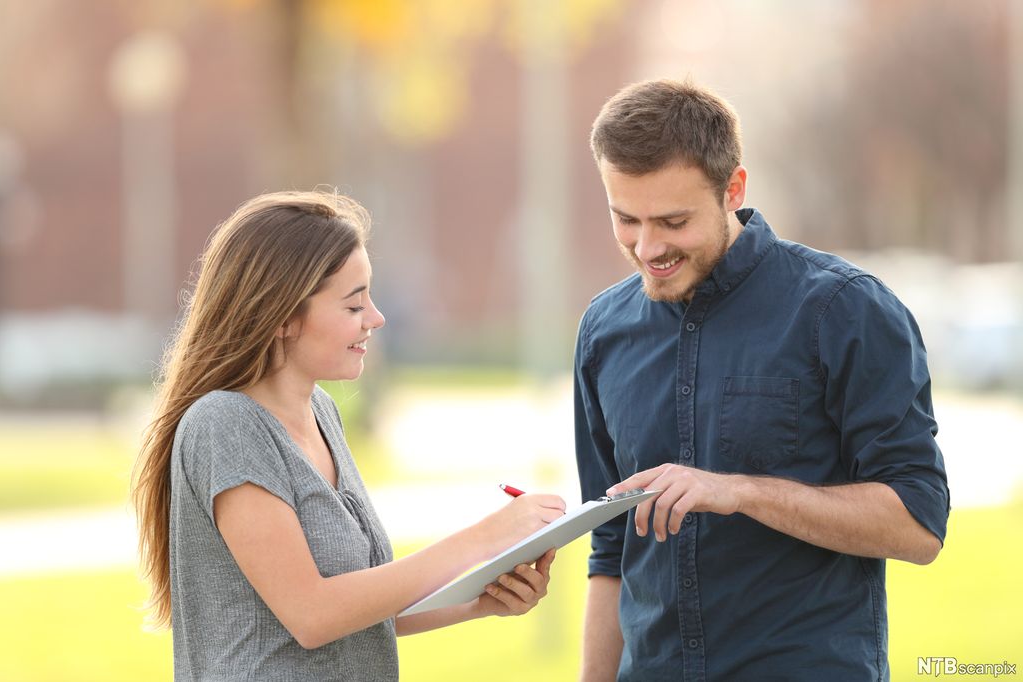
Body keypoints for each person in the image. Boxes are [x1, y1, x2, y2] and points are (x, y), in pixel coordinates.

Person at [573, 79, 950, 681]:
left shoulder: (845, 311)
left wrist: (740, 493)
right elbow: (612, 549)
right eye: (626, 219)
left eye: (673, 220)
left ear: (734, 189)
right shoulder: (602, 331)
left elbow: (918, 524)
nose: (648, 247)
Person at [131, 190, 566, 681]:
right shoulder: (223, 425)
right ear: (283, 317)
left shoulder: (320, 414)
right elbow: (312, 615)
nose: (376, 319)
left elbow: (358, 608)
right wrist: (485, 538)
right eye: (354, 304)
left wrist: (480, 600)